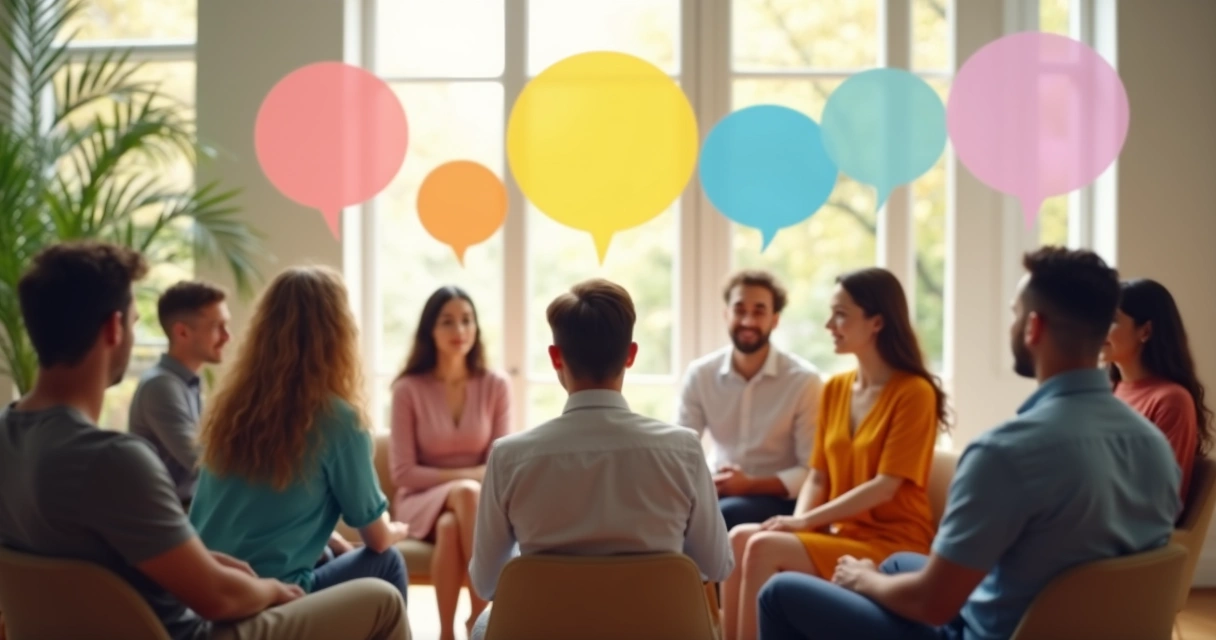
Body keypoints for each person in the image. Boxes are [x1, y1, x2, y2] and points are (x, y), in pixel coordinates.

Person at [756, 247, 1180, 640]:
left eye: (1015, 314)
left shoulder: (1004, 453)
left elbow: (932, 604)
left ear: (1033, 327)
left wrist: (863, 579)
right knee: (896, 564)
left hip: (986, 634)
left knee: (779, 593)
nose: (1013, 323)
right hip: (1083, 627)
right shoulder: (1154, 445)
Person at [0, 241, 409, 640]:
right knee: (384, 588)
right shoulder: (116, 461)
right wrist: (272, 589)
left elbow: (114, 561)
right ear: (114, 328)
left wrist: (207, 560)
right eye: (135, 320)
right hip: (202, 628)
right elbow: (218, 598)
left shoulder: (9, 436)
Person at [467, 279, 735, 640]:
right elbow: (716, 564)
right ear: (631, 354)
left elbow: (486, 582)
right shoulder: (683, 450)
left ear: (555, 357)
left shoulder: (509, 457)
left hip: (546, 631)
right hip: (657, 631)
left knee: (485, 624)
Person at [722, 267, 947, 640]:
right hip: (839, 533)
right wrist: (797, 523)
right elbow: (818, 476)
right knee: (738, 539)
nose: (829, 324)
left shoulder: (914, 393)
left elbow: (885, 487)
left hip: (890, 541)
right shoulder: (835, 389)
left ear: (876, 322)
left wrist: (800, 525)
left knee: (760, 546)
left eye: (841, 314)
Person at [189, 265, 411, 604]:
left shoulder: (232, 411)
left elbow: (258, 511)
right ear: (339, 334)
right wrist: (398, 530)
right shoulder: (338, 420)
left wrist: (325, 539)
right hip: (273, 598)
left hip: (209, 594)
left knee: (332, 555)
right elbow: (377, 539)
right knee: (388, 561)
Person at [389, 286, 511, 640]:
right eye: (448, 322)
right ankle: (481, 616)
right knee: (466, 493)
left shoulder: (495, 384)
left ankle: (446, 633)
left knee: (450, 526)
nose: (460, 331)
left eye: (467, 320)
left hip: (468, 507)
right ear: (430, 329)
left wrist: (470, 483)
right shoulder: (408, 389)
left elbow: (500, 460)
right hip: (417, 501)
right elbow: (402, 472)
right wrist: (468, 477)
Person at [677, 269, 822, 530]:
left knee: (722, 515)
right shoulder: (701, 375)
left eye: (759, 311)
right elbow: (680, 449)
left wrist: (751, 484)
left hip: (780, 499)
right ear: (726, 314)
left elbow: (811, 471)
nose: (747, 320)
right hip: (718, 491)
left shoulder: (804, 381)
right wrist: (704, 482)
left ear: (775, 320)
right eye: (739, 309)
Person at [1104, 278, 1213, 505]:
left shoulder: (1171, 400)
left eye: (1111, 319)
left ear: (1146, 331)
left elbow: (1161, 499)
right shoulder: (1107, 392)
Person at [129, 280, 230, 508]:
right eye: (218, 327)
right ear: (182, 332)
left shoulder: (186, 383)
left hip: (189, 507)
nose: (227, 336)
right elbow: (204, 462)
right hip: (170, 516)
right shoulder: (161, 386)